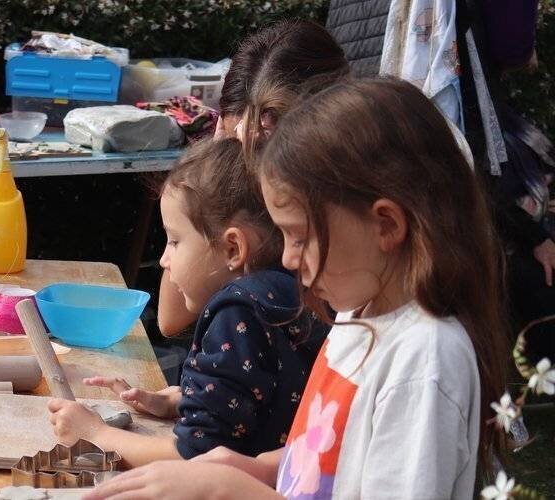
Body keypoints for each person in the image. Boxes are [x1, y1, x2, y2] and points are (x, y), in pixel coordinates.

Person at [85, 78, 508, 500]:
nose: (287, 259)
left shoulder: (424, 362)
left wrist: (233, 490)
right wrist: (260, 467)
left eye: (301, 237)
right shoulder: (357, 313)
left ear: (385, 225)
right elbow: (328, 454)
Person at [48, 139, 327, 467]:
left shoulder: (237, 312)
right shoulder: (291, 290)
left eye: (175, 241)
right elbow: (265, 399)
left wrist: (95, 433)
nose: (164, 259)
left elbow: (195, 457)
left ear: (233, 248)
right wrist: (184, 401)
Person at [156, 20, 349, 338]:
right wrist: (211, 173)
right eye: (235, 148)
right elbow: (170, 319)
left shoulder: (339, 209)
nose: (246, 169)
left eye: (260, 151)